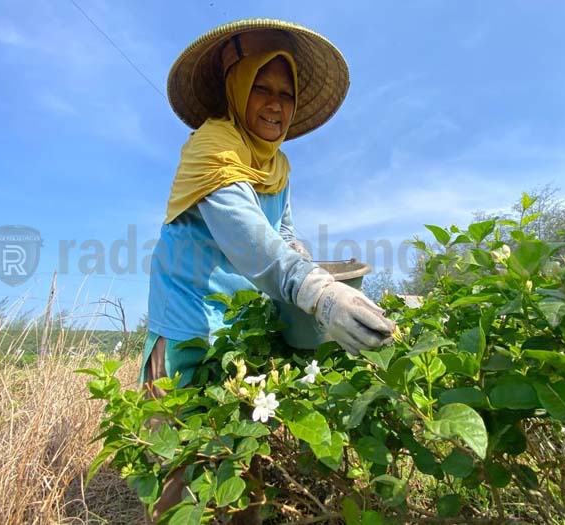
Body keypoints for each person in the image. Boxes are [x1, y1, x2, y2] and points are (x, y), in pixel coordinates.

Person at [141, 19, 396, 522]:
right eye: (261, 87)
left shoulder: (278, 166)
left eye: (286, 92)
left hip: (241, 330)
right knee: (177, 462)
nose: (275, 104)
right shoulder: (212, 147)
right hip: (189, 324)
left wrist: (304, 258)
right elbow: (251, 245)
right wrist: (319, 294)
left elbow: (280, 234)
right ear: (236, 87)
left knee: (246, 458)